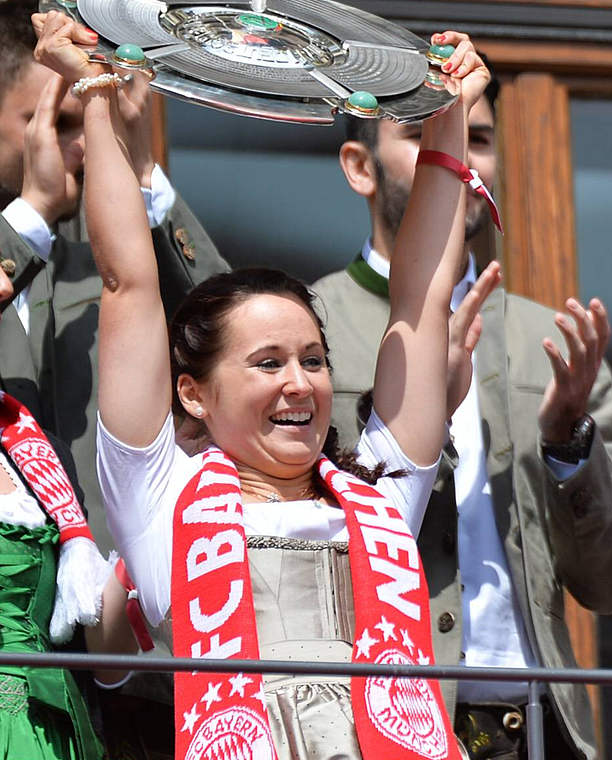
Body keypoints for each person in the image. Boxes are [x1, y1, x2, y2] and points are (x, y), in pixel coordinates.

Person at [34, 10, 497, 760]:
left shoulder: (380, 492)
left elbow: (420, 300)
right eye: (268, 362)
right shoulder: (158, 493)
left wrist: (446, 117)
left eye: (313, 361)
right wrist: (94, 93)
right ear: (192, 394)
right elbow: (127, 282)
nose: (300, 384)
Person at [311, 57, 612, 760]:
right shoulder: (303, 331)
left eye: (479, 136)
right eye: (428, 129)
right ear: (358, 165)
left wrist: (566, 443)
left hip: (541, 725)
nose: (461, 155)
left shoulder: (551, 341)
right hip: (376, 716)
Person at [0, 2, 229, 554]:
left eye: (88, 122)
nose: (79, 146)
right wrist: (31, 212)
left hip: (114, 611)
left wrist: (140, 166)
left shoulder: (110, 255)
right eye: (57, 123)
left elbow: (226, 331)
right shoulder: (26, 234)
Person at [0, 261, 142, 760]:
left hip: (48, 729)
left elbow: (105, 663)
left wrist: (138, 555)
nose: (1, 287)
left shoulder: (42, 452)